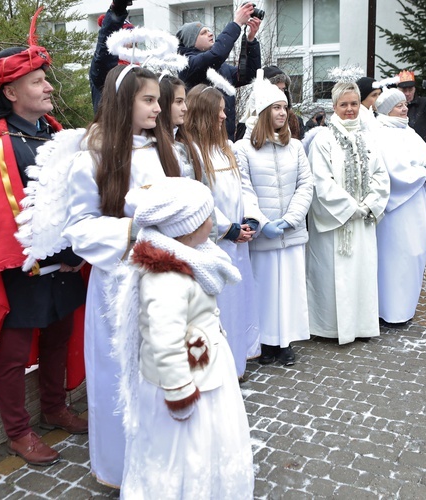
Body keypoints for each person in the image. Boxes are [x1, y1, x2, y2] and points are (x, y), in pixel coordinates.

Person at [0, 34, 88, 466]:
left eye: (45, 80)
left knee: (60, 335)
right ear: (12, 92)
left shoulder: (54, 133)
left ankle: (55, 407)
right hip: (22, 268)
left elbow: (78, 196)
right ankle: (18, 431)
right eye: (38, 82)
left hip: (65, 261)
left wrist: (76, 251)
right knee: (15, 353)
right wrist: (37, 256)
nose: (49, 87)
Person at [61, 64, 181, 487]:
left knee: (162, 374)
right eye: (148, 99)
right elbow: (79, 228)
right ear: (122, 102)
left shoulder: (161, 148)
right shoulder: (91, 156)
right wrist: (133, 231)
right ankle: (121, 469)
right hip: (119, 286)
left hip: (164, 281)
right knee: (121, 377)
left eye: (158, 99)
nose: (158, 107)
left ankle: (163, 465)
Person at [113, 177, 254, 498]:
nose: (215, 222)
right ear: (188, 229)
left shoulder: (195, 257)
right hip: (186, 385)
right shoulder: (167, 277)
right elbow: (163, 339)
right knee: (180, 452)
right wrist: (178, 392)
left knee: (205, 445)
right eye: (209, 217)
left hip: (205, 376)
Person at [234, 77, 313, 365]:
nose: (283, 112)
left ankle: (285, 341)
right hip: (263, 236)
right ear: (263, 111)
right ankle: (265, 342)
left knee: (289, 288)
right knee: (264, 288)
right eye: (276, 107)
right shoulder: (243, 148)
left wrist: (291, 219)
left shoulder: (295, 147)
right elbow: (243, 188)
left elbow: (306, 184)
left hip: (290, 233)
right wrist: (262, 221)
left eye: (285, 107)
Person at [305, 81, 390, 344]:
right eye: (344, 105)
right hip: (337, 223)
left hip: (362, 221)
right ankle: (329, 327)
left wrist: (369, 206)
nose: (350, 109)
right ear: (334, 107)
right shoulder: (323, 139)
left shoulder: (368, 137)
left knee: (361, 273)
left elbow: (380, 175)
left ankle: (361, 325)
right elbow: (321, 181)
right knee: (334, 275)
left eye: (354, 103)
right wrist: (349, 207)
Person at [185, 83, 260, 379]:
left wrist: (251, 219)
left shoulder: (226, 147)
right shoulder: (192, 151)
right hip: (216, 242)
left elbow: (244, 186)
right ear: (204, 114)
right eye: (218, 111)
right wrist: (227, 229)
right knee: (221, 306)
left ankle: (238, 363)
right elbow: (200, 196)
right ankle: (222, 370)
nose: (223, 116)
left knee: (239, 303)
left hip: (240, 240)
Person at [371, 88, 426, 326]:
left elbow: (423, 155)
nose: (405, 109)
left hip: (414, 201)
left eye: (405, 104)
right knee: (397, 256)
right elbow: (393, 172)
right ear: (386, 109)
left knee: (416, 251)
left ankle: (405, 307)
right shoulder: (381, 133)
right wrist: (423, 172)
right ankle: (391, 311)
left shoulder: (406, 129)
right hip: (396, 208)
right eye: (398, 105)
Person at [176, 2, 262, 141]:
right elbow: (216, 55)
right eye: (203, 32)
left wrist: (250, 40)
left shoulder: (220, 67)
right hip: (200, 140)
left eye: (209, 30)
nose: (210, 33)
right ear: (190, 41)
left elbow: (249, 75)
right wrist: (237, 23)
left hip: (225, 140)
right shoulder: (187, 64)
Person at [88, 0, 134, 112]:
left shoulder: (135, 67)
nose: (131, 43)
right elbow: (104, 50)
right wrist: (118, 8)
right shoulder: (105, 69)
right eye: (127, 38)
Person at [158, 74, 204, 182]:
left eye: (184, 101)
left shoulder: (188, 144)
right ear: (163, 103)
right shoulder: (154, 147)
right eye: (179, 102)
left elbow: (203, 184)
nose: (185, 108)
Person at [397, 69, 426, 143]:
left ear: (414, 89)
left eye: (410, 90)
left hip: (420, 149)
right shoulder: (392, 107)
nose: (407, 94)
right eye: (404, 90)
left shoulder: (423, 103)